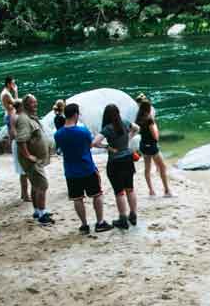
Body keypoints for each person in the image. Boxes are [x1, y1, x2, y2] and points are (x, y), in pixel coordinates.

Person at [54, 103, 112, 234]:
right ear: (75, 115)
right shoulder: (83, 131)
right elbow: (91, 144)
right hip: (87, 168)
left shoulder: (58, 134)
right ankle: (100, 222)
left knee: (77, 199)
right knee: (97, 195)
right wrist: (106, 147)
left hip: (70, 171)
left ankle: (84, 225)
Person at [94, 104, 139, 230]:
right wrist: (128, 139)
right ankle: (133, 215)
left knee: (119, 192)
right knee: (130, 188)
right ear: (118, 113)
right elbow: (136, 128)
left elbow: (95, 142)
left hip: (115, 162)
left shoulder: (108, 128)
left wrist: (107, 147)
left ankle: (123, 218)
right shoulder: (125, 122)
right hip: (128, 159)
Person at [14, 94, 53, 225]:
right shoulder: (24, 119)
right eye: (32, 103)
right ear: (26, 105)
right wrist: (28, 156)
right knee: (42, 185)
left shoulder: (29, 117)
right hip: (32, 161)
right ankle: (43, 215)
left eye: (36, 103)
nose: (35, 105)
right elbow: (21, 140)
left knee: (36, 185)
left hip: (36, 160)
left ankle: (37, 211)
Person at [134, 94, 173, 197]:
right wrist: (155, 126)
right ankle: (167, 190)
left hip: (143, 145)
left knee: (147, 169)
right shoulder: (149, 119)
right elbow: (156, 137)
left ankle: (151, 191)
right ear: (149, 108)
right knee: (163, 167)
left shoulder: (138, 118)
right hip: (152, 146)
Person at [0, 78, 29, 202]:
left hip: (11, 119)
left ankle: (24, 194)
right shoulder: (6, 94)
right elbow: (16, 104)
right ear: (8, 84)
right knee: (23, 171)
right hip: (10, 119)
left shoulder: (6, 93)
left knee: (23, 171)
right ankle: (25, 194)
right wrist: (16, 92)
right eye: (13, 83)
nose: (14, 85)